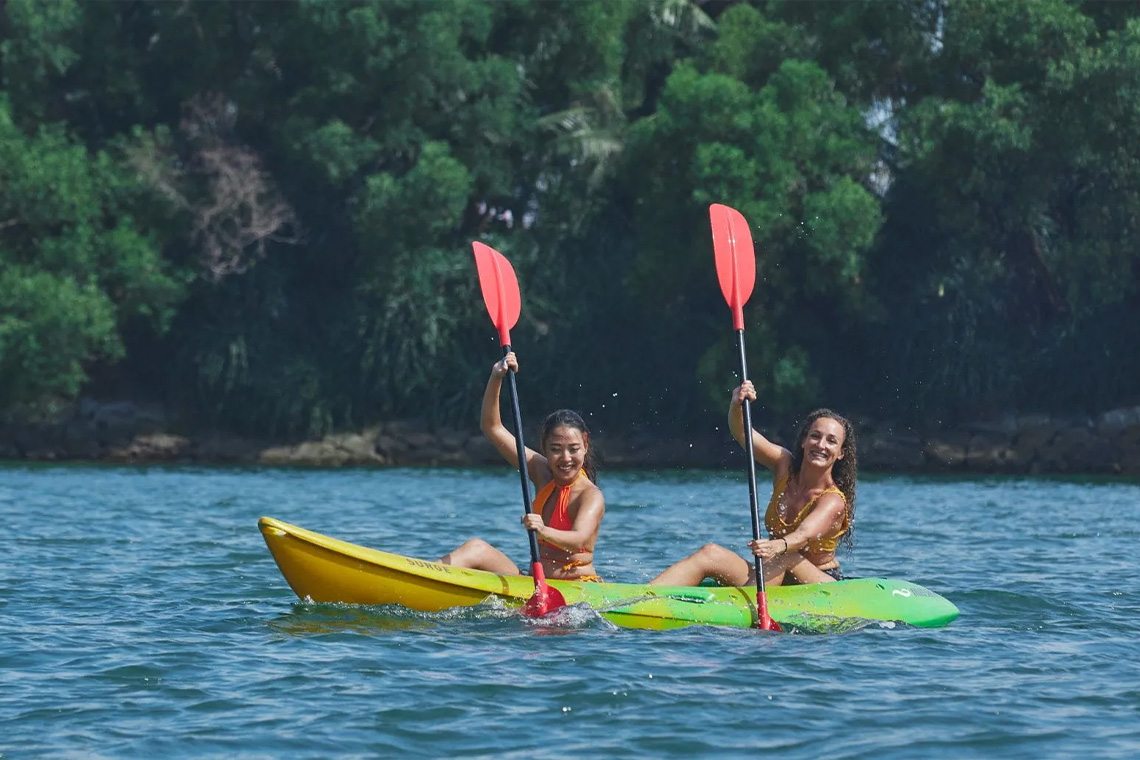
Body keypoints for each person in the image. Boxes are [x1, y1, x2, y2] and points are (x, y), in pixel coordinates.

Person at [650, 380, 857, 587]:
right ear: (804, 441)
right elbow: (743, 434)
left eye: (831, 441)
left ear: (840, 453)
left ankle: (739, 605)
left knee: (787, 555)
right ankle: (641, 597)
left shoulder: (833, 500)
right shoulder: (783, 464)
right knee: (710, 552)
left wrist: (778, 545)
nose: (821, 445)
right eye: (815, 436)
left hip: (817, 584)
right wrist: (737, 405)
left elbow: (803, 536)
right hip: (773, 573)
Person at [440, 352, 606, 581]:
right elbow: (492, 427)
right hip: (533, 582)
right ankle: (419, 576)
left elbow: (580, 539)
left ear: (585, 445)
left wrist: (543, 530)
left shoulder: (590, 495)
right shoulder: (542, 471)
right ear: (544, 448)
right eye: (556, 449)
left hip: (575, 589)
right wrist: (497, 376)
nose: (565, 458)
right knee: (475, 547)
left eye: (573, 449)